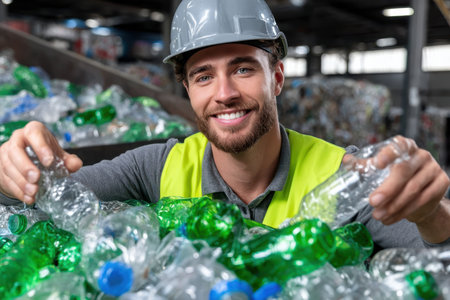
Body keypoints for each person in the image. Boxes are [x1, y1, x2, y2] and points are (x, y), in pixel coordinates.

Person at [0, 0, 449, 251]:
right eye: (202, 76)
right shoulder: (156, 168)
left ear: (276, 76)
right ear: (188, 91)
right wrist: (12, 167)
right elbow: (47, 202)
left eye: (242, 69)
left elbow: (438, 264)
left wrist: (433, 214)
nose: (224, 93)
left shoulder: (345, 177)